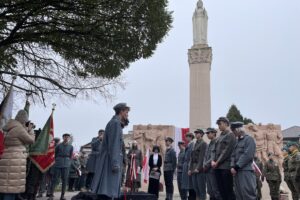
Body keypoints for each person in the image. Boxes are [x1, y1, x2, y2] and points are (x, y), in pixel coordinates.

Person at [91, 103, 130, 200]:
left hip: (110, 160)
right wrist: (115, 163)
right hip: (110, 162)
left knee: (107, 191)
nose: (127, 115)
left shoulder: (115, 123)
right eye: (126, 112)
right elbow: (114, 146)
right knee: (107, 192)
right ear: (121, 111)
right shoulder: (115, 123)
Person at [0, 110, 35, 200]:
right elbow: (30, 140)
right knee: (11, 186)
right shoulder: (19, 129)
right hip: (15, 159)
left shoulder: (8, 127)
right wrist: (31, 130)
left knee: (4, 184)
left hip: (5, 156)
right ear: (24, 120)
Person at [230, 122, 256, 200]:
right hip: (236, 171)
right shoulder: (237, 142)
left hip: (245, 171)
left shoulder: (249, 139)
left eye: (234, 131)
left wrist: (236, 166)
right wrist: (232, 166)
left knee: (247, 194)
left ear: (238, 130)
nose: (233, 133)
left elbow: (248, 155)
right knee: (238, 194)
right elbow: (233, 155)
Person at [212, 117, 236, 200]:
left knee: (228, 190)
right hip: (217, 167)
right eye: (218, 124)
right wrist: (212, 161)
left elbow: (226, 151)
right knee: (221, 190)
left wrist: (217, 162)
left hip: (225, 166)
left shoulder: (231, 135)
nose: (218, 126)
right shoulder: (219, 137)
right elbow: (214, 150)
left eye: (220, 124)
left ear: (226, 123)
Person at [48, 133, 74, 200]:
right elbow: (55, 154)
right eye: (65, 137)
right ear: (63, 138)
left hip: (66, 164)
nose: (66, 138)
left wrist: (69, 162)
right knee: (54, 179)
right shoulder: (58, 146)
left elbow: (71, 156)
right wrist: (57, 161)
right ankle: (51, 195)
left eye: (68, 137)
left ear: (69, 138)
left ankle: (62, 196)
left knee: (65, 180)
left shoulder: (71, 147)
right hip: (58, 163)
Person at [203, 128, 222, 200]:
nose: (207, 134)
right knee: (210, 191)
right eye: (207, 133)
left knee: (215, 190)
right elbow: (205, 156)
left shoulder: (217, 142)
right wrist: (204, 164)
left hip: (213, 170)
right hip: (207, 170)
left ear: (214, 133)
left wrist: (206, 165)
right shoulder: (209, 144)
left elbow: (214, 157)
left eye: (208, 133)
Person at [189, 129, 207, 200]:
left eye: (197, 133)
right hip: (193, 168)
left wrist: (198, 168)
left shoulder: (203, 144)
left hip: (200, 169)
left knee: (201, 189)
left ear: (202, 134)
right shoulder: (195, 143)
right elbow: (191, 158)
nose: (196, 134)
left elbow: (202, 157)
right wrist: (190, 169)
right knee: (196, 188)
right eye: (195, 133)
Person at [181, 133, 196, 200]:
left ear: (190, 137)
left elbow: (191, 157)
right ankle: (190, 197)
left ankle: (192, 198)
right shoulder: (189, 145)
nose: (186, 138)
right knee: (188, 185)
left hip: (189, 166)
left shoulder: (192, 145)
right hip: (186, 166)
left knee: (191, 185)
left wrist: (190, 167)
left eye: (187, 137)